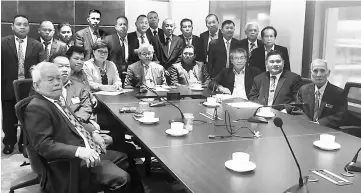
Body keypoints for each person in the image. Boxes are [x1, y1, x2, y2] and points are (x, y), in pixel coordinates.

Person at [25, 62, 130, 193]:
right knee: (122, 178)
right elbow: (44, 146)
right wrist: (79, 151)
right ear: (36, 85)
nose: (57, 83)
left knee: (125, 156)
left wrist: (93, 133)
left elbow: (75, 123)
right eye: (50, 80)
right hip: (70, 164)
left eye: (58, 78)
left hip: (87, 149)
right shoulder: (37, 108)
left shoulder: (58, 100)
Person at [1, 14, 43, 154]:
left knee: (27, 116)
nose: (22, 27)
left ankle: (23, 143)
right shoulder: (2, 43)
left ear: (29, 27)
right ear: (12, 26)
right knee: (8, 117)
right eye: (19, 24)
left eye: (25, 24)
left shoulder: (36, 45)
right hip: (8, 85)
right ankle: (9, 142)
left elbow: (41, 66)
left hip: (29, 88)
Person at [297, 59, 347, 128]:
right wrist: (307, 123)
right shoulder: (303, 90)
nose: (319, 74)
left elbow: (340, 116)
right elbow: (297, 109)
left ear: (328, 73)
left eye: (322, 71)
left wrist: (318, 124)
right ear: (311, 73)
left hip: (326, 130)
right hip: (305, 127)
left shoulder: (339, 93)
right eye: (315, 71)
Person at [104, 16, 129, 83]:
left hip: (129, 75)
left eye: (125, 24)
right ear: (116, 27)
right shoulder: (108, 39)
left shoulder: (133, 39)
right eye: (120, 24)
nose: (123, 26)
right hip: (113, 74)